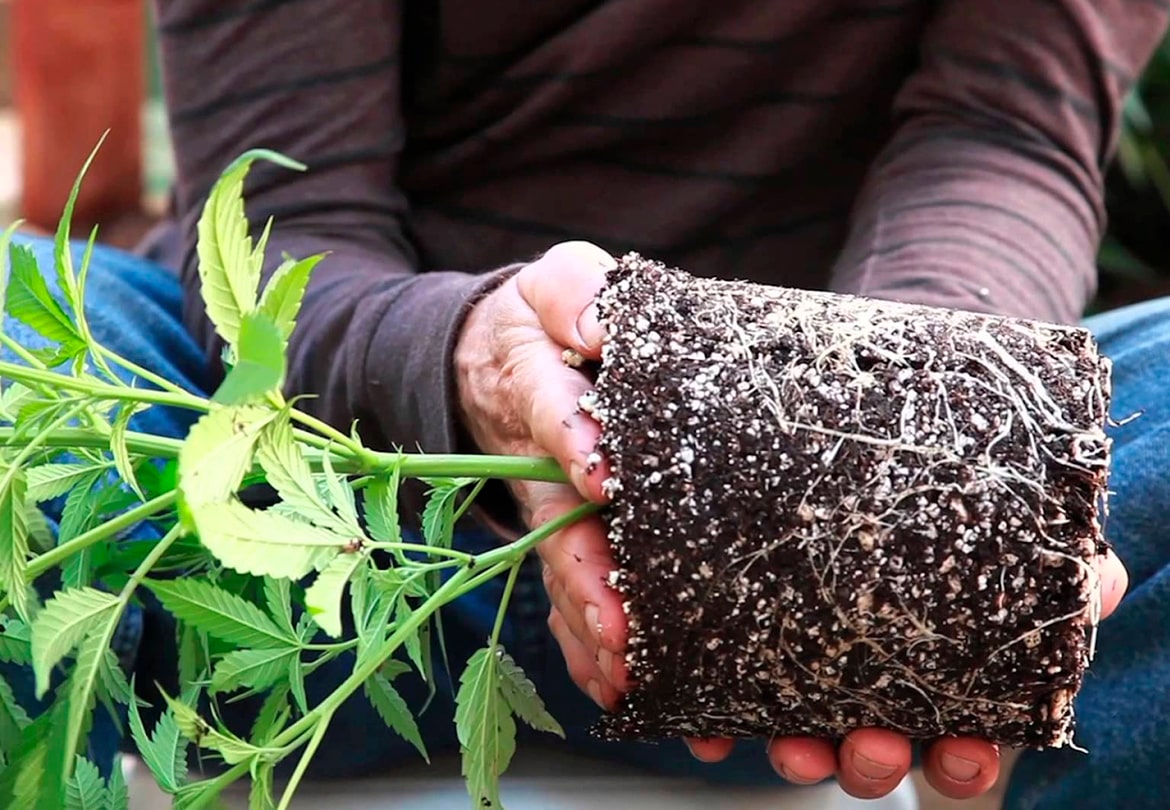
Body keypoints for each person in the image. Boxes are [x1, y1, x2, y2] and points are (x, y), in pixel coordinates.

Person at [3, 1, 1167, 806]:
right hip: (328, 531)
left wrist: (905, 471)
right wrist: (476, 366)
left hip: (815, 588)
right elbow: (292, 221)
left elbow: (1001, 128)